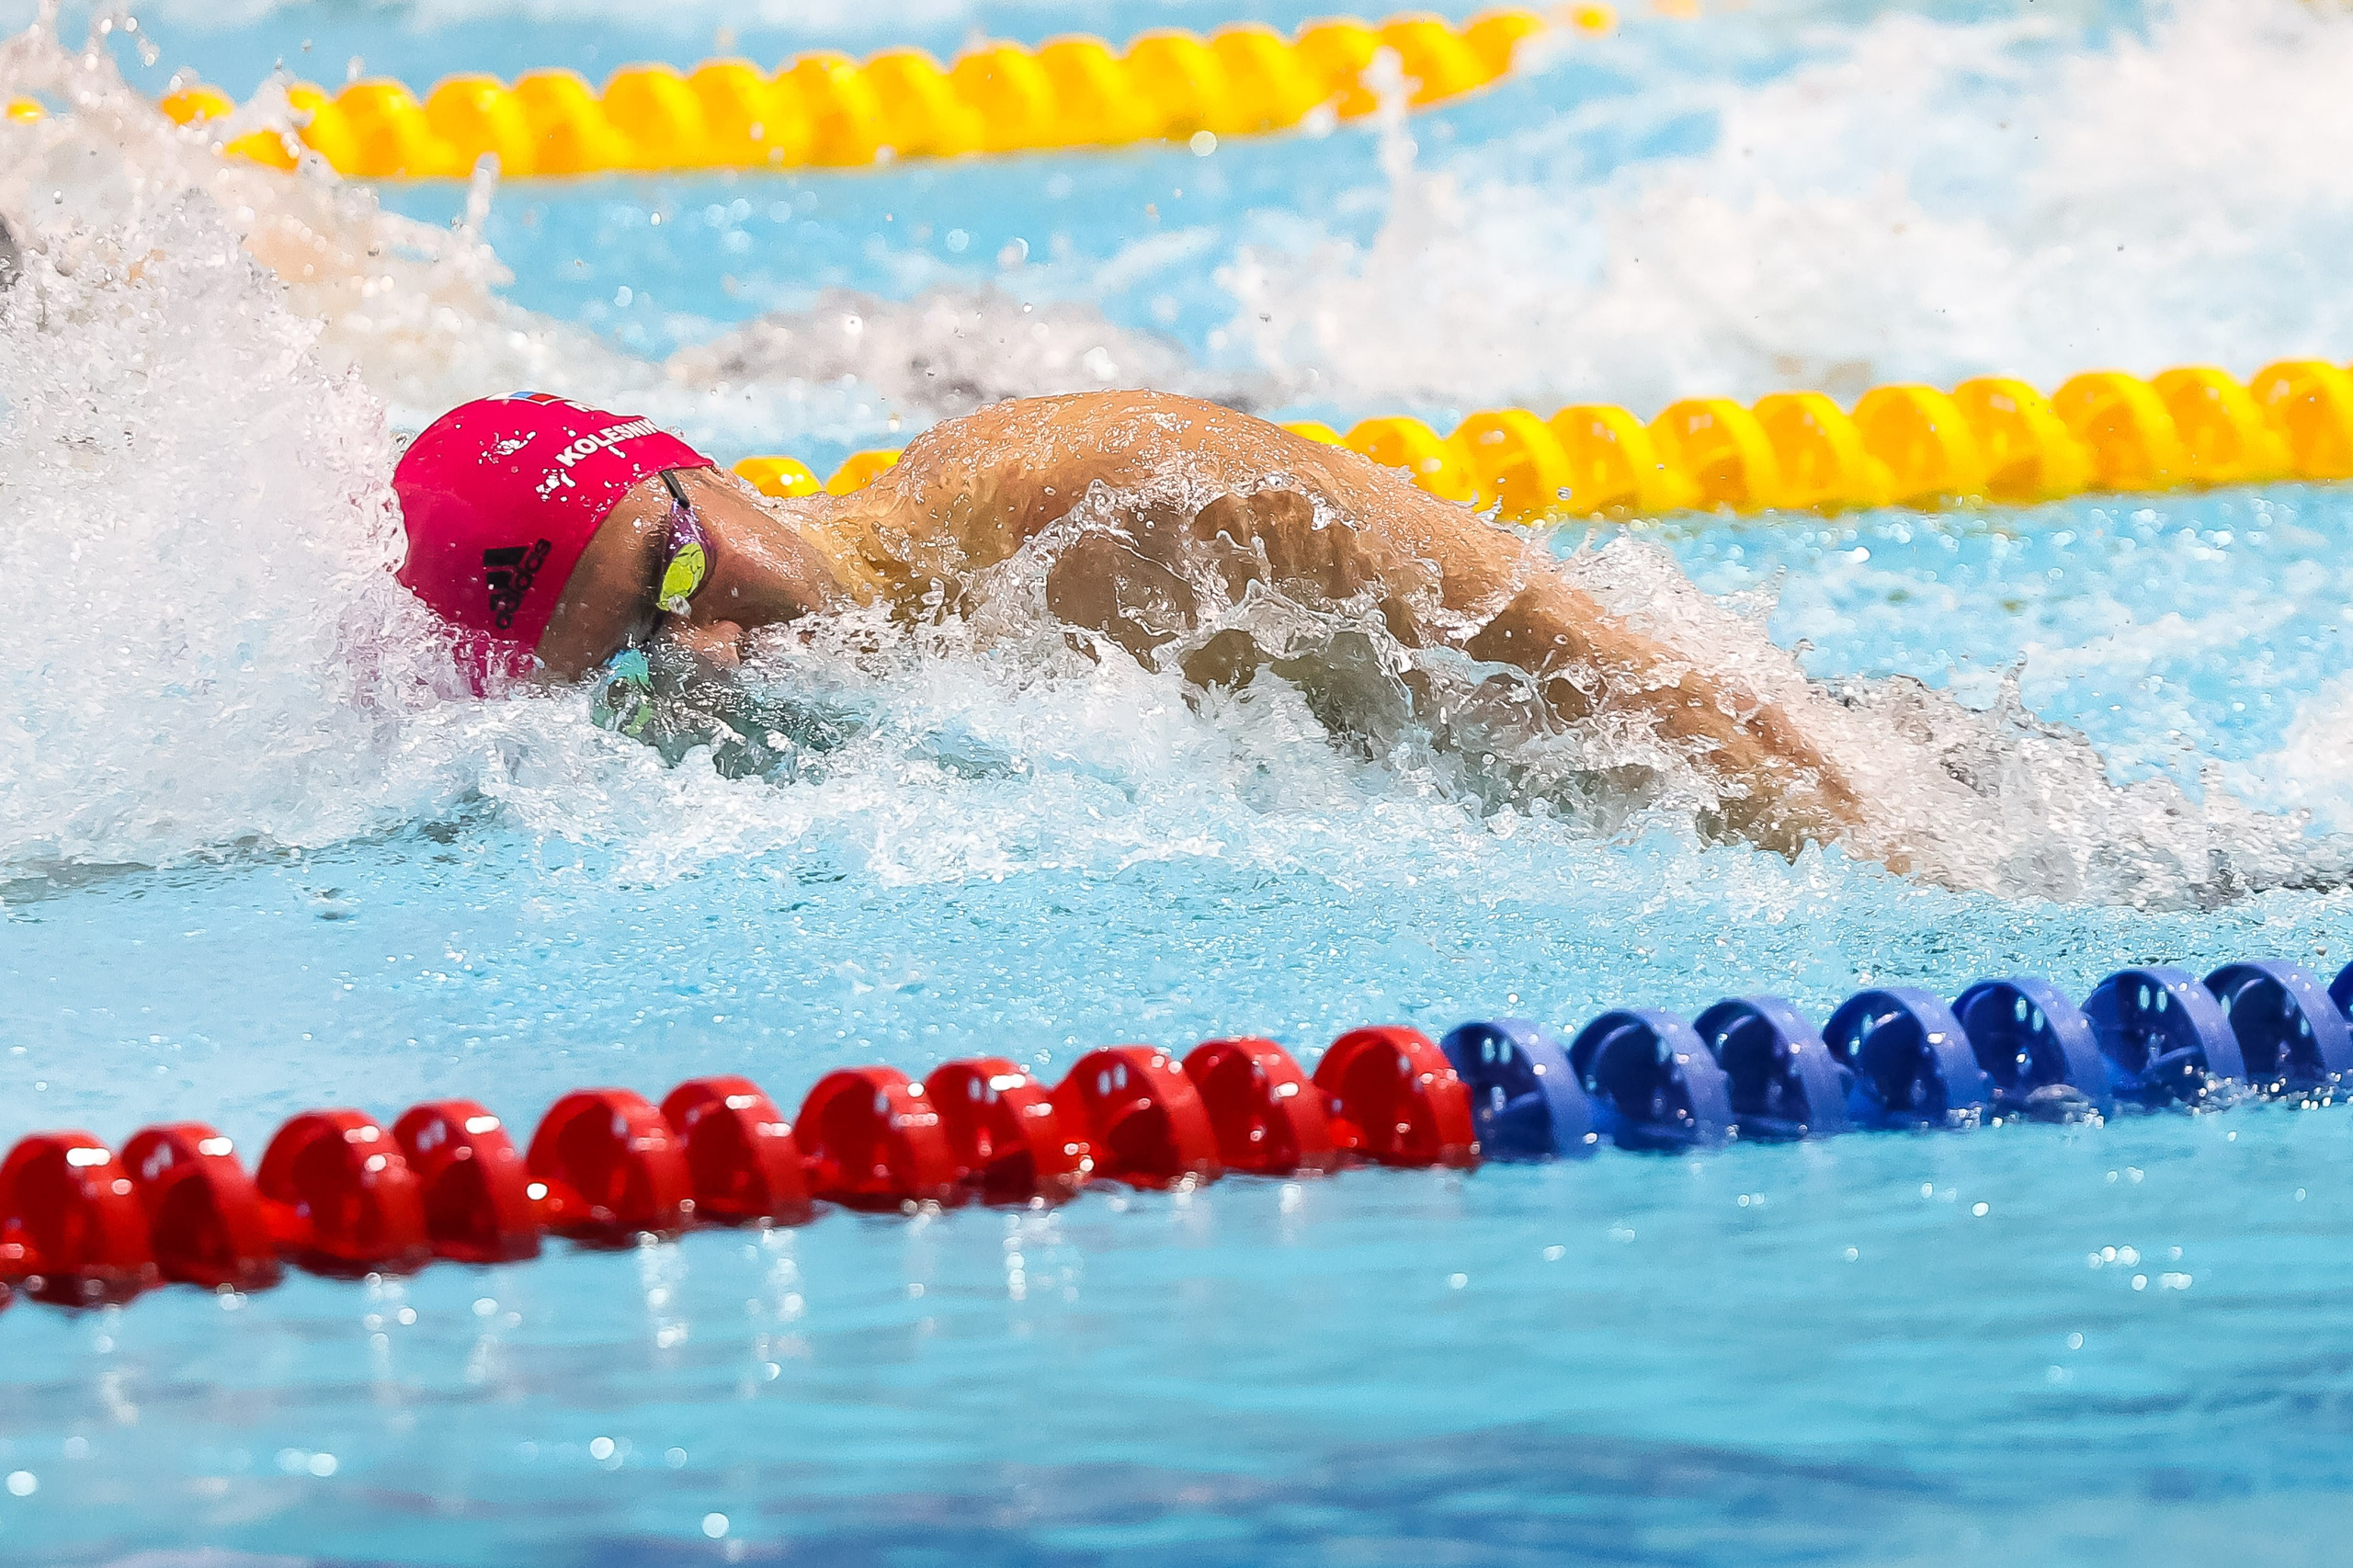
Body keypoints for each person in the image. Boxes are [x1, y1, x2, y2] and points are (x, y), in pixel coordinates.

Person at [394, 390, 1863, 856]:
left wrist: (1894, 850)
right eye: (630, 669)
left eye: (673, 579)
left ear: (706, 469)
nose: (702, 650)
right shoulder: (791, 775)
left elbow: (1611, 672)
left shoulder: (1114, 505)